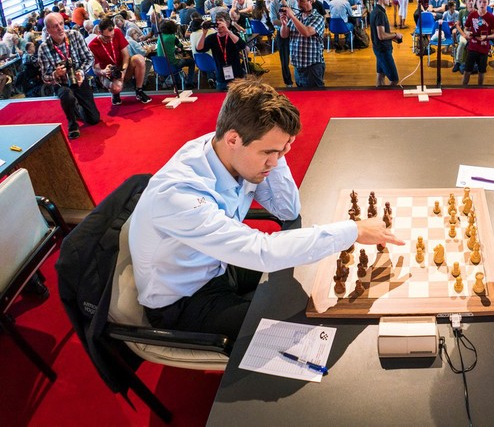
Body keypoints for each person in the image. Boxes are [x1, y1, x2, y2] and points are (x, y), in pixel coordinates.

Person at [129, 79, 403, 340]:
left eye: (281, 151)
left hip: (220, 264)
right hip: (184, 300)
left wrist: (275, 154)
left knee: (314, 272)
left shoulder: (232, 151)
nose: (273, 162)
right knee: (304, 330)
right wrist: (353, 230)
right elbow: (263, 253)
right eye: (266, 153)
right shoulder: (180, 196)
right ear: (233, 139)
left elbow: (288, 210)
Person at [37, 13, 100, 139]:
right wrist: (55, 74)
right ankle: (72, 124)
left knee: (94, 119)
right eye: (55, 26)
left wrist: (81, 72)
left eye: (61, 24)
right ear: (48, 30)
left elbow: (89, 58)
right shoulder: (43, 48)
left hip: (79, 79)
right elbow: (45, 77)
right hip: (62, 83)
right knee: (67, 95)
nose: (60, 28)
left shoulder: (75, 35)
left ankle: (76, 109)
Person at [89, 17, 151, 105]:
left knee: (139, 59)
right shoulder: (93, 45)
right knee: (116, 88)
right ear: (100, 33)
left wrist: (123, 71)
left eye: (112, 36)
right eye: (106, 37)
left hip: (121, 67)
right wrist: (103, 72)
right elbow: (96, 69)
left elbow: (126, 55)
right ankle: (115, 94)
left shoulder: (117, 32)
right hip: (108, 74)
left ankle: (139, 91)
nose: (110, 39)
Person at [280, 0, 326, 88]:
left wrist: (292, 17)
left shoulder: (318, 18)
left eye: (302, 1)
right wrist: (283, 24)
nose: (299, 4)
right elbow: (284, 35)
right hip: (298, 66)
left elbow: (306, 32)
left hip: (312, 66)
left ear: (311, 1)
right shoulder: (297, 17)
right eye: (297, 1)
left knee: (316, 98)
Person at [196, 12, 247, 91]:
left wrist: (227, 31)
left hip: (236, 75)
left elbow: (242, 45)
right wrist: (203, 34)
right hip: (221, 76)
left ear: (227, 23)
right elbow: (199, 49)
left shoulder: (233, 35)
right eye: (216, 22)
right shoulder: (211, 38)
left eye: (221, 21)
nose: (218, 24)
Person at [462, 0, 494, 86]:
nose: (482, 4)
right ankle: (463, 88)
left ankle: (480, 88)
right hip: (472, 47)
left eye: (485, 2)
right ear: (476, 3)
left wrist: (486, 37)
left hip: (484, 49)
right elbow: (465, 28)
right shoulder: (472, 15)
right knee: (467, 70)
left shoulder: (491, 17)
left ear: (488, 3)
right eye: (480, 2)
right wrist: (467, 33)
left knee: (481, 71)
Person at [369, 0, 402, 87]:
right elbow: (382, 35)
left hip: (378, 48)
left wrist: (392, 37)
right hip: (383, 50)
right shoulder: (380, 14)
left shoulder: (376, 11)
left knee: (380, 76)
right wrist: (396, 35)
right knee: (394, 79)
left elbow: (381, 34)